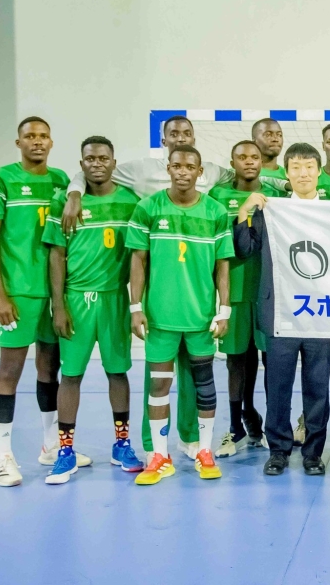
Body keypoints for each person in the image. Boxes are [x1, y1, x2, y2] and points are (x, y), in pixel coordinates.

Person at [60, 116, 233, 461]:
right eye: (173, 135)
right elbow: (94, 168)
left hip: (196, 296)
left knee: (195, 377)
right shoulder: (140, 175)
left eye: (186, 135)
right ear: (163, 143)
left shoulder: (212, 179)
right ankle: (154, 447)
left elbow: (244, 172)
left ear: (199, 167)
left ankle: (192, 441)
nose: (179, 140)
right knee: (158, 379)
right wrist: (73, 193)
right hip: (161, 289)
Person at [0, 116, 89, 486]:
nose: (37, 142)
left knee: (48, 369)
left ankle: (49, 446)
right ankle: (3, 456)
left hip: (55, 291)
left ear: (52, 142)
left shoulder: (60, 180)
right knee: (10, 371)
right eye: (30, 136)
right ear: (18, 142)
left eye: (43, 136)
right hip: (19, 292)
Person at [126, 145, 234, 484]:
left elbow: (223, 266)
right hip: (160, 319)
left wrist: (224, 310)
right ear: (168, 168)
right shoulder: (148, 208)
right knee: (158, 386)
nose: (183, 171)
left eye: (190, 166)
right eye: (176, 166)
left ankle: (204, 450)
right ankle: (158, 455)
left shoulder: (215, 212)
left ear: (200, 172)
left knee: (204, 387)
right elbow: (138, 261)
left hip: (201, 319)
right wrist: (136, 307)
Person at [41, 137, 143, 484]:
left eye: (103, 158)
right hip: (76, 300)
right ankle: (65, 451)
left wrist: (136, 305)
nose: (96, 163)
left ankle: (122, 443)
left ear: (114, 162)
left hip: (115, 299)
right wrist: (58, 305)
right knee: (71, 376)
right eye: (89, 159)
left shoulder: (131, 202)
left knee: (118, 372)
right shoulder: (64, 201)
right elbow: (56, 255)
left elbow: (140, 258)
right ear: (81, 165)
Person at [234, 143, 330, 477]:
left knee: (317, 386)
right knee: (277, 385)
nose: (303, 173)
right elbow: (244, 248)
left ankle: (313, 453)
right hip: (281, 313)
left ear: (319, 171)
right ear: (286, 174)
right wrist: (244, 212)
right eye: (296, 167)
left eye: (309, 167)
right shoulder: (270, 211)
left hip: (322, 312)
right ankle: (278, 450)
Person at [209, 141, 268, 457]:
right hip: (232, 293)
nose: (249, 162)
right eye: (242, 157)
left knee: (270, 361)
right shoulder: (217, 197)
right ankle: (236, 428)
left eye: (254, 157)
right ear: (231, 161)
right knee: (236, 362)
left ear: (262, 161)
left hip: (267, 293)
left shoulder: (276, 197)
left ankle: (270, 426)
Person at [254, 118, 291, 198]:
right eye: (268, 135)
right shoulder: (237, 174)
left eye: (279, 135)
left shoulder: (289, 175)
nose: (275, 139)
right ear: (255, 141)